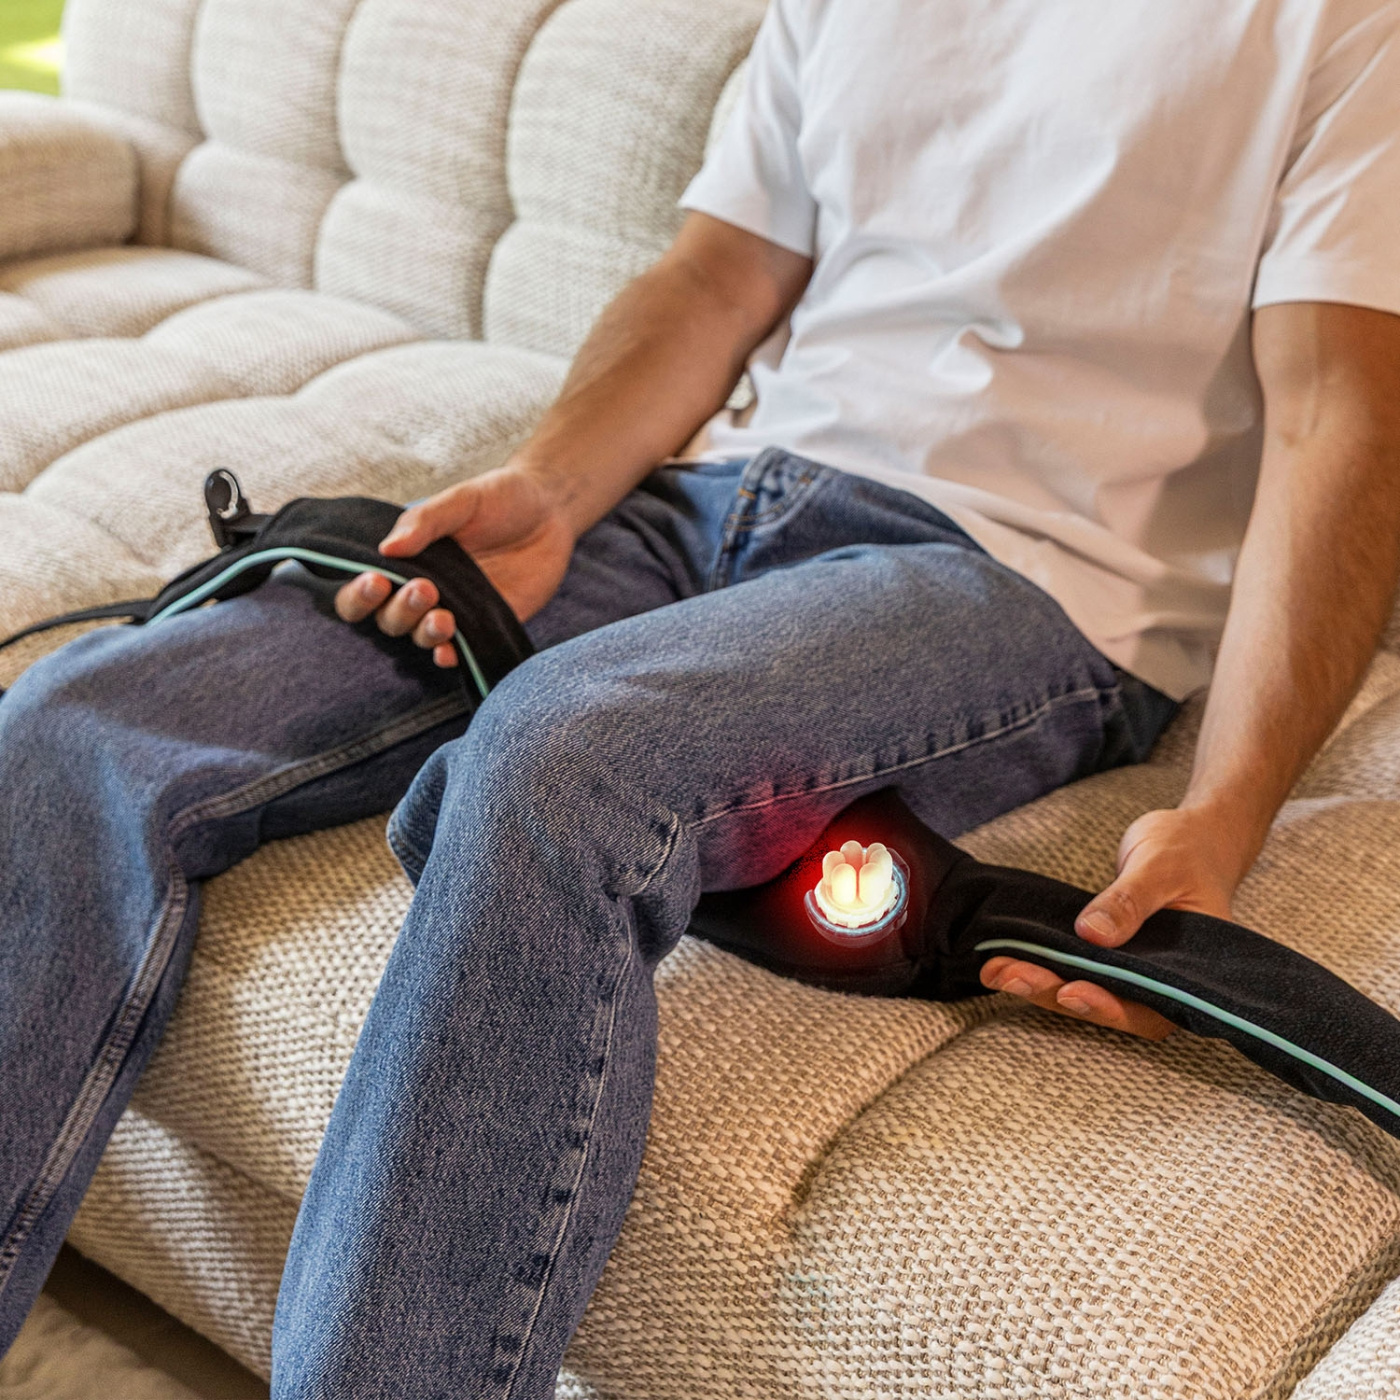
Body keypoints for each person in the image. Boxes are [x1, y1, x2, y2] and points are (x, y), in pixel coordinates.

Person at [4, 0, 1400, 1393]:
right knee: (80, 721)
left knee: (562, 765)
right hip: (699, 505)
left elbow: (1339, 415)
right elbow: (718, 277)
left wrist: (1227, 809)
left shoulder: (1343, 27)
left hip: (1017, 570)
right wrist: (554, 488)